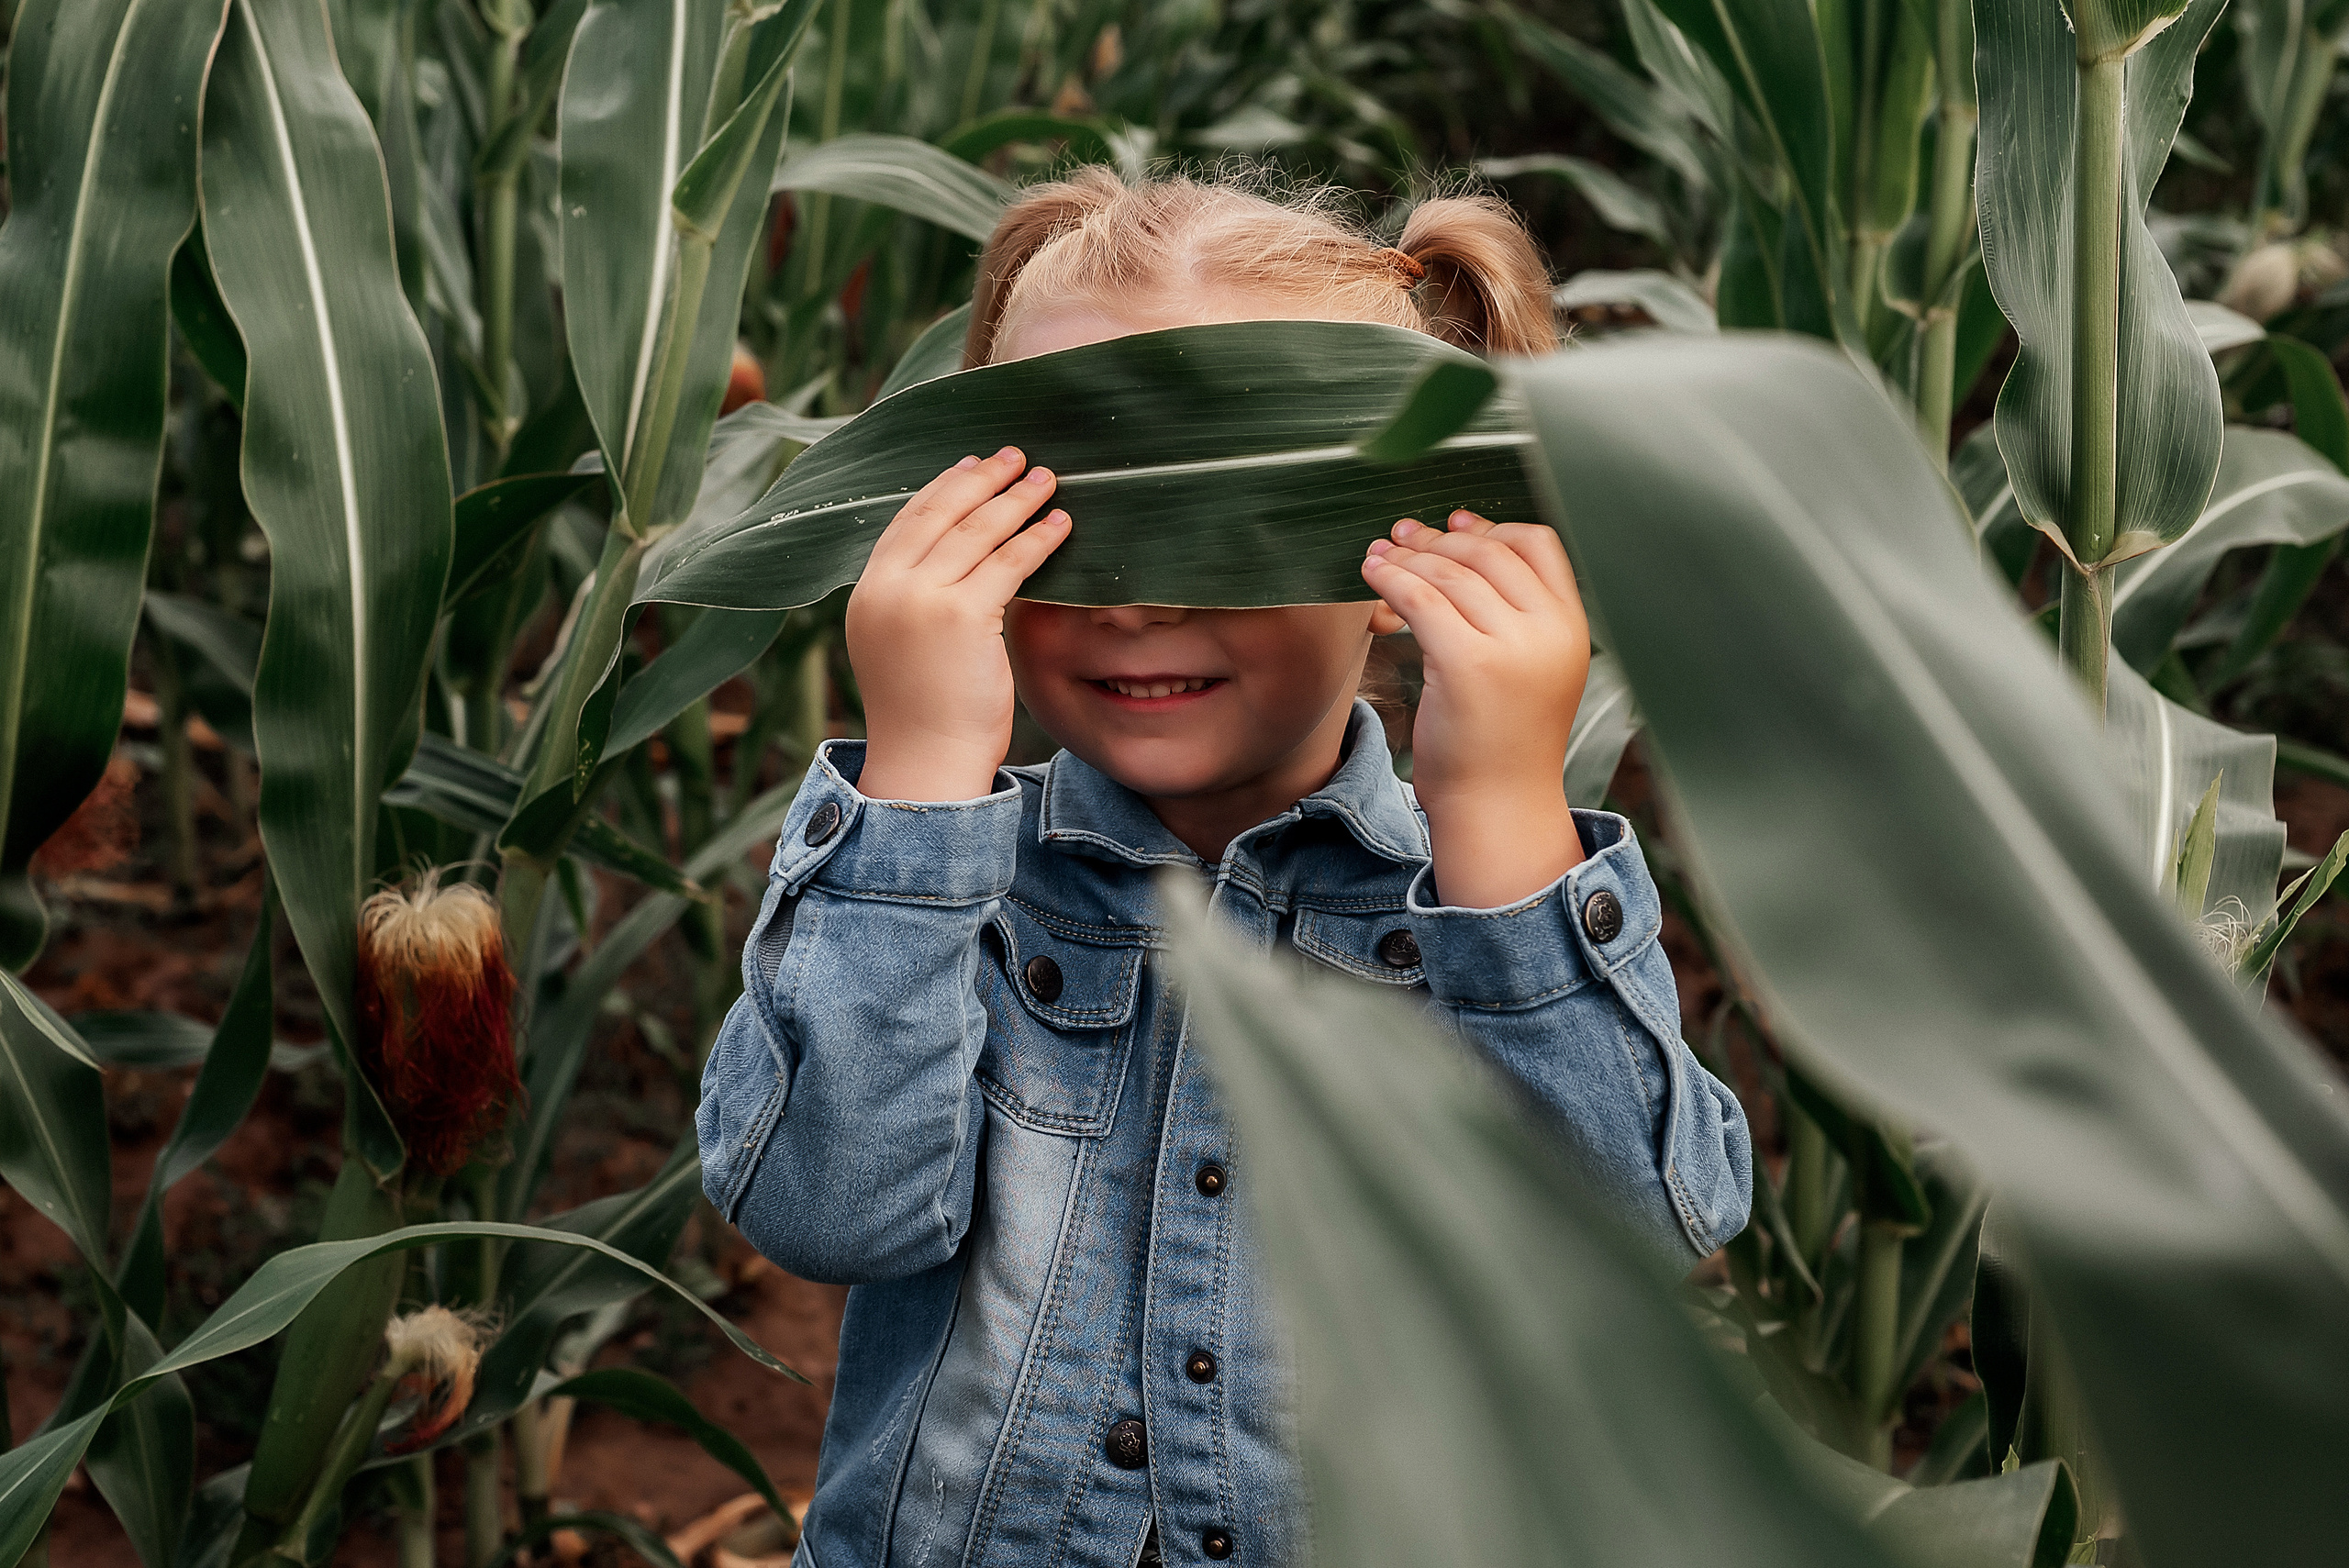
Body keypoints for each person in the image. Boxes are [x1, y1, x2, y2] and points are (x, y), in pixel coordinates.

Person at [697, 167, 1753, 1568]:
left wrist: (1501, 810)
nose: (1146, 595)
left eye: (1229, 510)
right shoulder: (945, 876)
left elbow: (1628, 1239)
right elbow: (825, 1206)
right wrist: (920, 773)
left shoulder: (1482, 900)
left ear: (1402, 546)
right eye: (1077, 510)